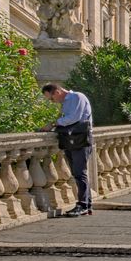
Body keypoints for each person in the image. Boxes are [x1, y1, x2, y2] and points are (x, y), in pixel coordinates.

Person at [41, 84, 93, 217]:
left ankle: (83, 205)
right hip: (71, 139)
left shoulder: (77, 97)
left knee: (79, 172)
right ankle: (86, 205)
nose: (52, 102)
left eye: (51, 99)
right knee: (77, 173)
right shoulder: (65, 103)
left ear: (57, 92)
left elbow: (74, 118)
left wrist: (54, 123)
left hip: (80, 139)